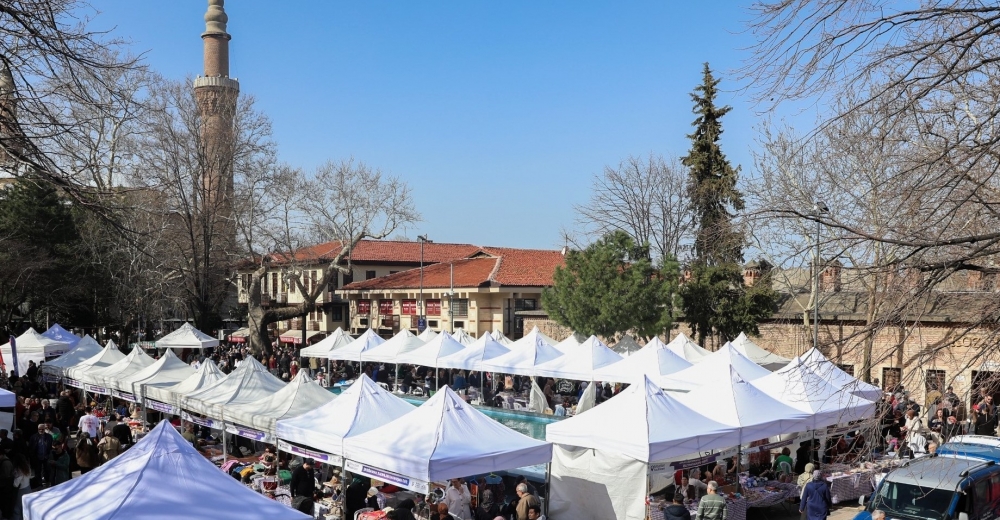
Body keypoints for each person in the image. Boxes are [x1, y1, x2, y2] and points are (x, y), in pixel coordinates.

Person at [27, 424, 51, 488]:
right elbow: (31, 448)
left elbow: (50, 446)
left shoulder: (49, 436)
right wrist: (32, 457)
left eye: (42, 429)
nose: (41, 430)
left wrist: (49, 455)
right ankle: (39, 483)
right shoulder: (33, 437)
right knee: (38, 471)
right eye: (39, 429)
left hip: (46, 456)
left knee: (47, 470)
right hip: (37, 457)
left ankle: (47, 481)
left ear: (44, 429)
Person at [11, 453, 30, 520]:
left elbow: (15, 484)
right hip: (28, 489)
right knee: (25, 508)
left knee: (17, 509)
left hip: (20, 491)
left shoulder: (18, 470)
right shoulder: (27, 467)